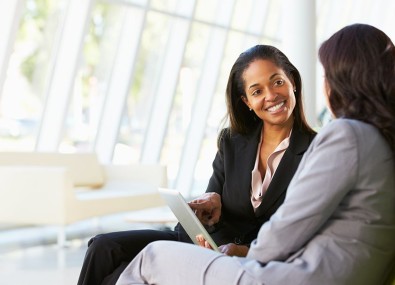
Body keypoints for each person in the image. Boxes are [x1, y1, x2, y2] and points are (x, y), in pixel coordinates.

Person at [115, 23, 395, 285]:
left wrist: (247, 260)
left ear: (344, 80)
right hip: (337, 273)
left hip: (292, 276)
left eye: (327, 75)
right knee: (109, 248)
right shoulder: (382, 139)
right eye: (257, 90)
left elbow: (290, 225)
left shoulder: (347, 135)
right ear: (245, 102)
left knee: (152, 258)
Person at [77, 45, 316, 285]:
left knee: (116, 279)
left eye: (277, 82)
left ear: (292, 81)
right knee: (103, 247)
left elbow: (300, 232)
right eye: (257, 91)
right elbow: (213, 201)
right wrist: (209, 204)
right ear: (246, 101)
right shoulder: (231, 141)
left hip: (243, 264)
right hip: (200, 243)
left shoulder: (317, 152)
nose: (271, 96)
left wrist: (244, 251)